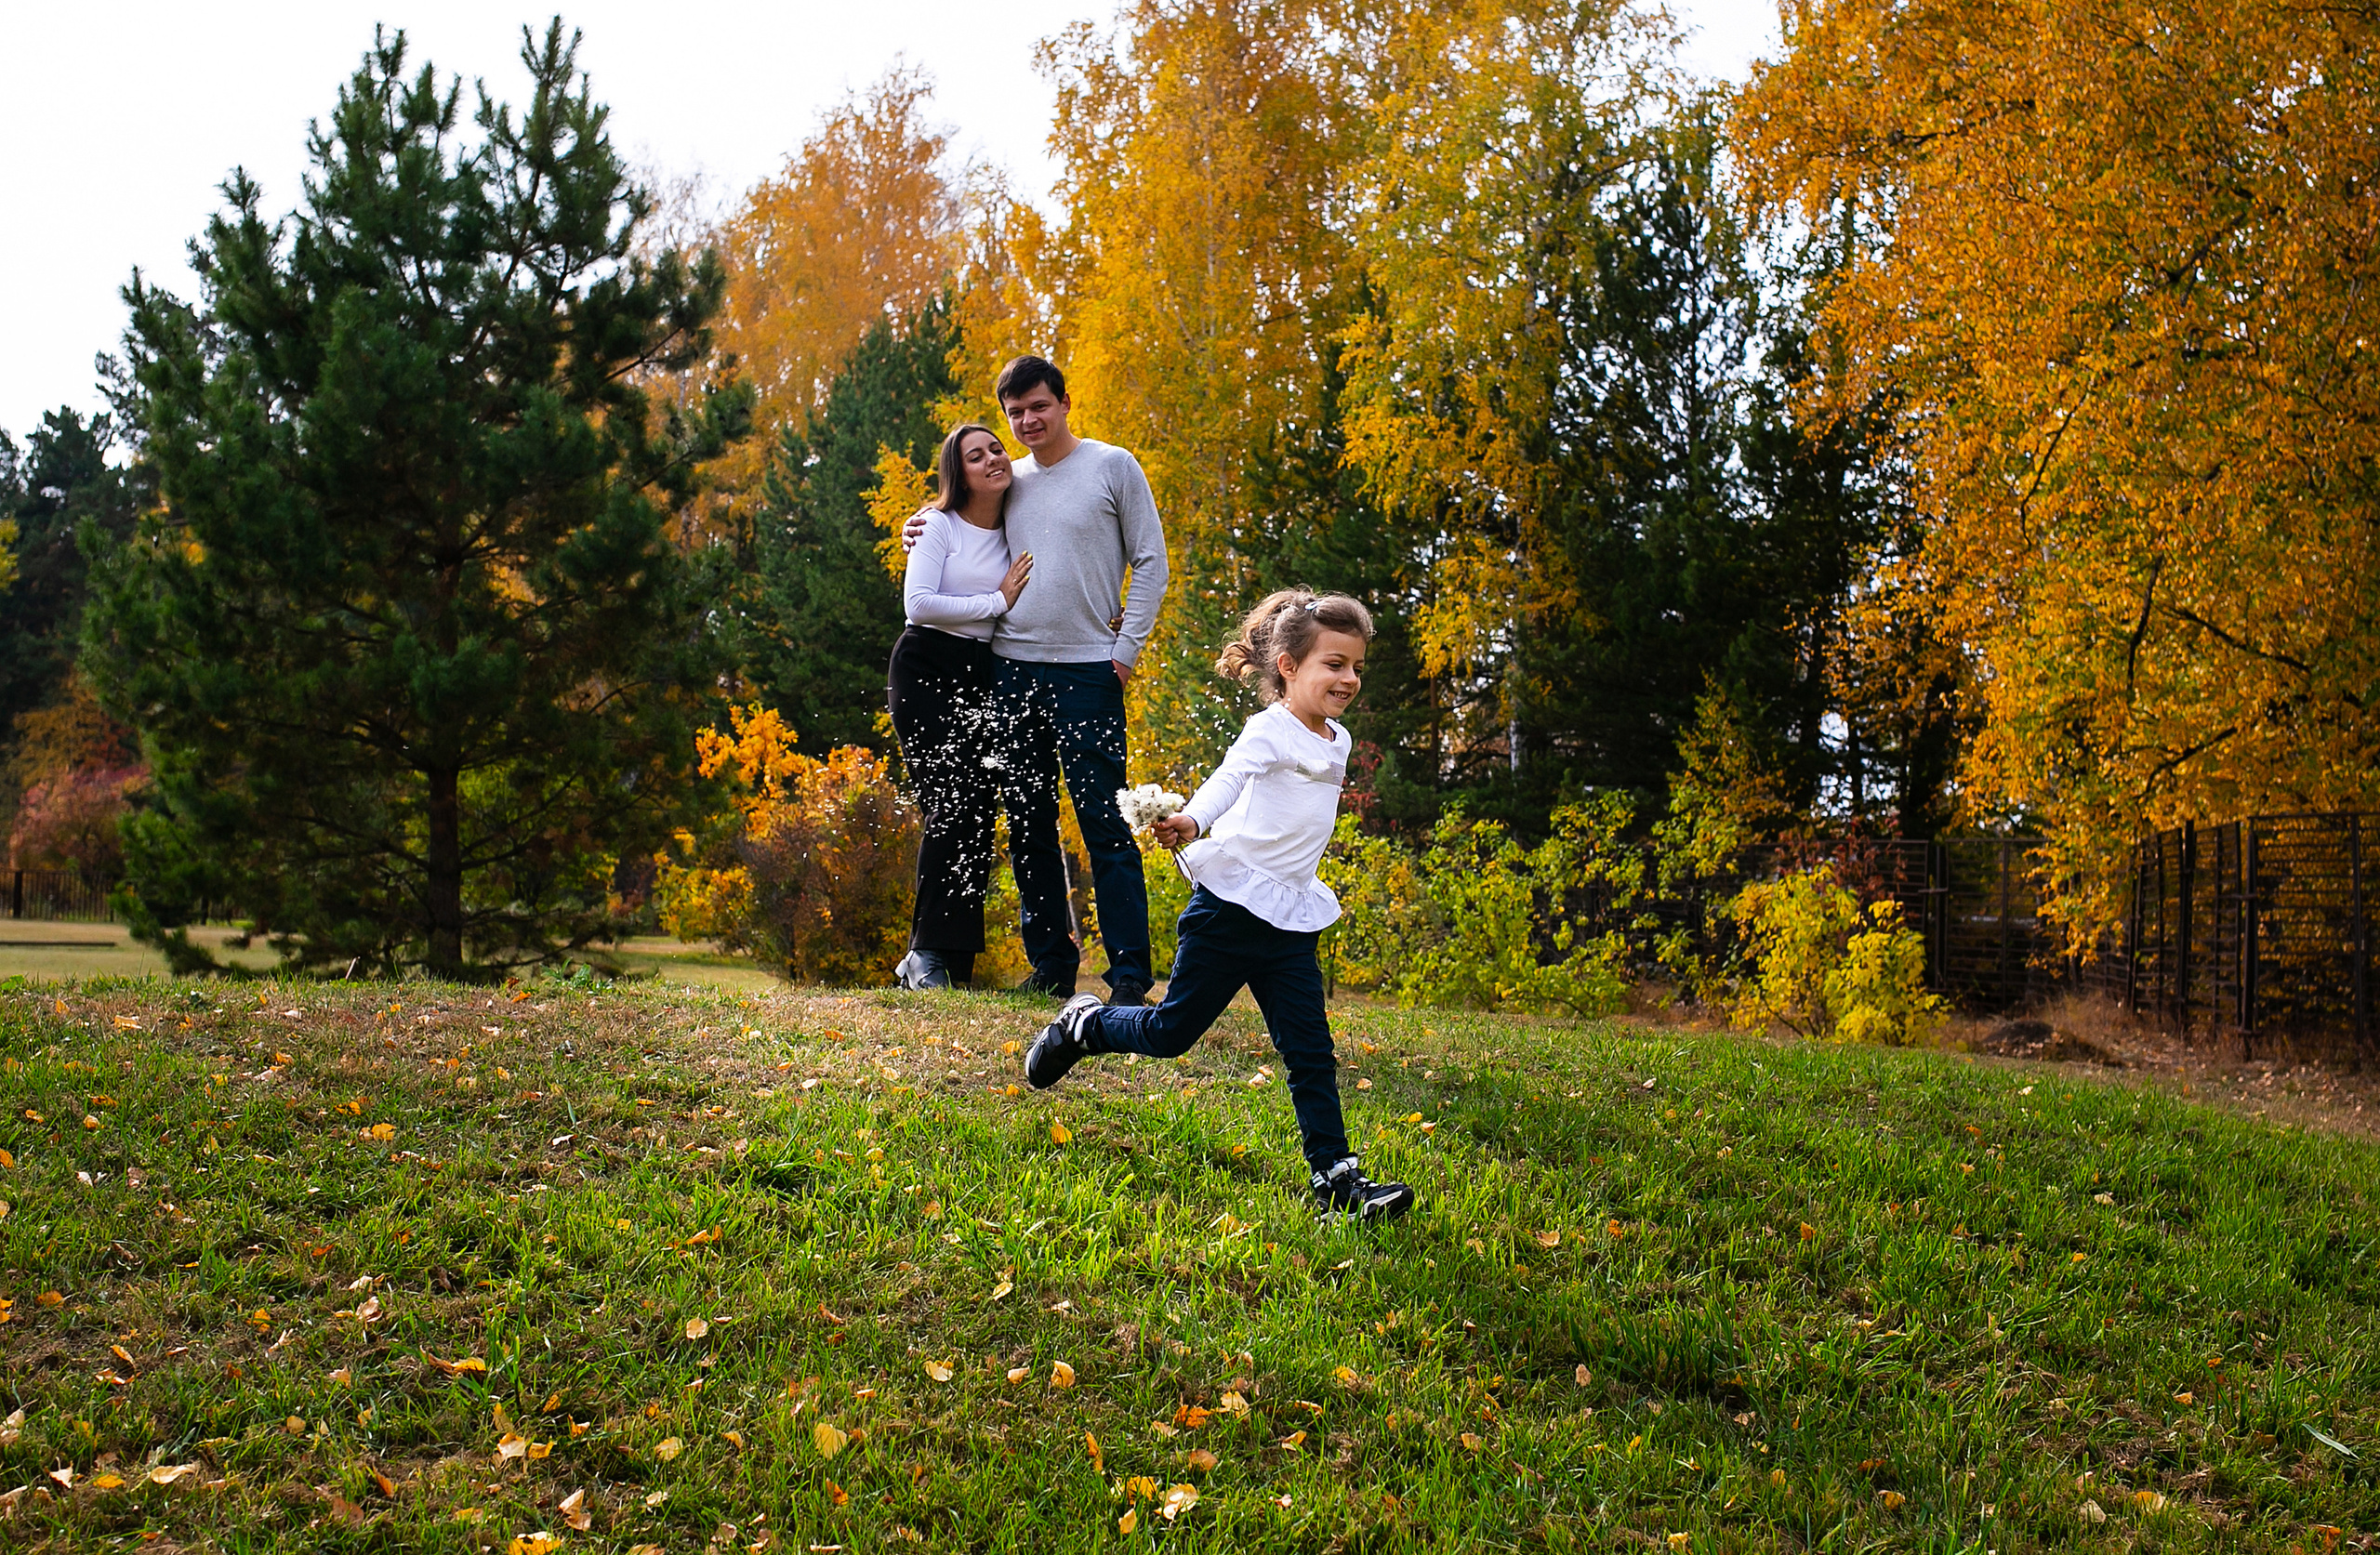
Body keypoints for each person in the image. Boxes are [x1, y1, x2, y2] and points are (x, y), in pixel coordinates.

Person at [1020, 589, 1418, 1223]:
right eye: (1334, 664)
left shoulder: (1338, 738)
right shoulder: (1268, 729)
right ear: (1288, 666)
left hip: (1289, 919)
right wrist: (1193, 820)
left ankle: (1335, 1180)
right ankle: (1085, 1026)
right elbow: (1228, 779)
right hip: (1230, 911)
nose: (1349, 678)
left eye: (1356, 667)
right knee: (1170, 1033)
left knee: (1310, 1050)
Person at [906, 355, 1170, 1005]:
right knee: (1028, 823)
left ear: (1065, 402)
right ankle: (1051, 965)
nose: (1027, 421)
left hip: (1090, 671)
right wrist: (917, 523)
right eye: (1015, 412)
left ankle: (1130, 975)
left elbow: (1151, 561)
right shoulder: (1009, 480)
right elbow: (957, 517)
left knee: (1104, 823)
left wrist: (1125, 650)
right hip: (1012, 671)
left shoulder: (1113, 466)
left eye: (1038, 406)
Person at [887, 424, 1034, 989]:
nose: (993, 458)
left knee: (976, 811)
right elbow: (919, 604)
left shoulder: (1017, 521)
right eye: (976, 456)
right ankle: (926, 953)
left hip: (980, 672)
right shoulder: (937, 525)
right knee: (948, 805)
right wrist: (997, 600)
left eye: (997, 448)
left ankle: (951, 962)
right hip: (926, 667)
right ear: (959, 473)